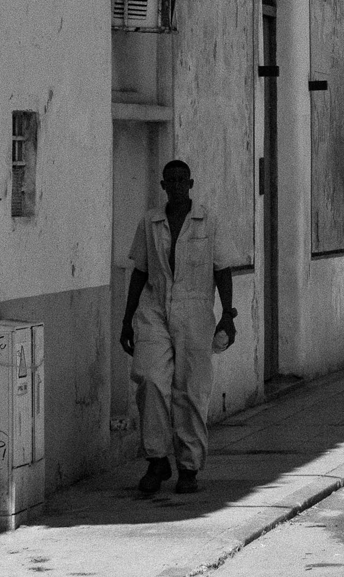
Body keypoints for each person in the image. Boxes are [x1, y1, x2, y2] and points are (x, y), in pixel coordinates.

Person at [120, 160, 241, 495]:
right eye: (169, 181)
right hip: (154, 309)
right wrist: (127, 319)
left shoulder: (209, 221)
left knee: (190, 390)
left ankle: (189, 467)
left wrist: (228, 314)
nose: (175, 186)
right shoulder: (150, 222)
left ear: (190, 184)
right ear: (162, 185)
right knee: (149, 378)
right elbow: (140, 271)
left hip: (195, 310)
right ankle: (157, 459)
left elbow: (222, 269)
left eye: (181, 180)